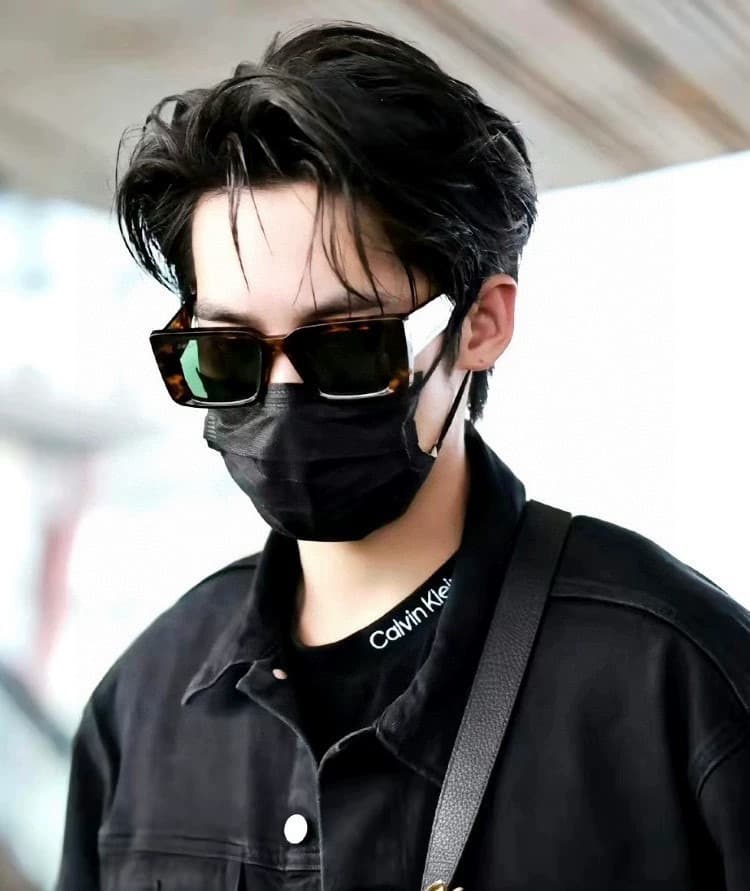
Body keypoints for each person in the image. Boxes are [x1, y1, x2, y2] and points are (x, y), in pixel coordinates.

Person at [55, 21, 749, 891]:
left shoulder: (679, 682)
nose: (280, 397)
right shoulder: (140, 706)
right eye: (228, 353)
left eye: (348, 345)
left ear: (481, 324)